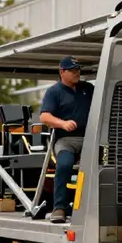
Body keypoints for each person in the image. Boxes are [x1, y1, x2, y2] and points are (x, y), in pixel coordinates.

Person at [39, 56, 95, 223]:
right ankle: (59, 208)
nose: (77, 73)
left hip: (90, 138)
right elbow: (44, 116)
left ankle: (92, 206)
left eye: (78, 70)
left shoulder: (88, 89)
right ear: (62, 72)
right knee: (63, 165)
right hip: (66, 141)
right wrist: (62, 123)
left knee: (103, 164)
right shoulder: (54, 92)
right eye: (73, 70)